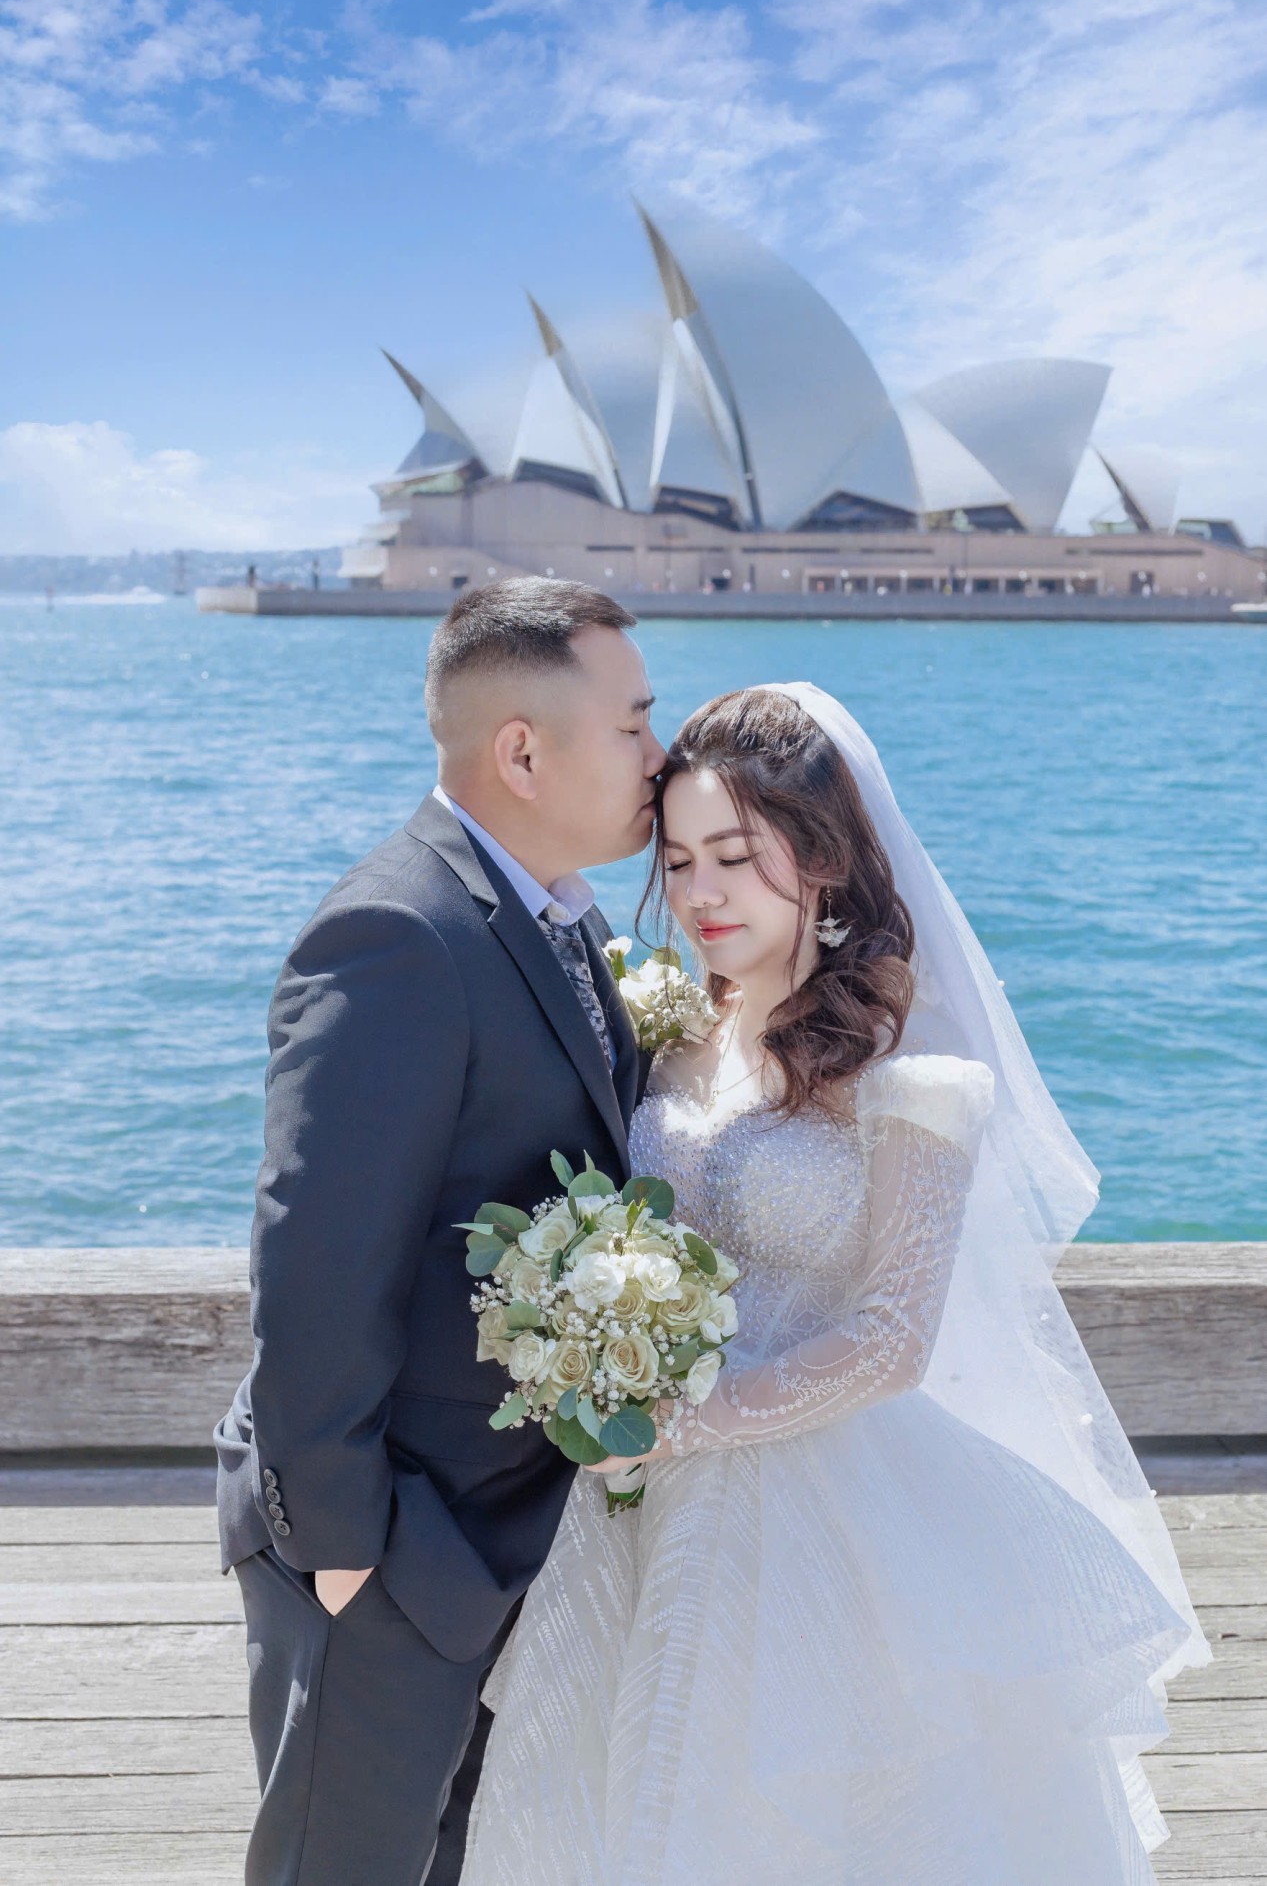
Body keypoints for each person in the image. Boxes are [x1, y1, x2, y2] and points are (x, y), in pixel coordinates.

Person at [461, 682, 1209, 1886]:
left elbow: (892, 1337)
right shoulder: (669, 1034)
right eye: (680, 861)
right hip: (645, 1507)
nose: (700, 893)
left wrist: (682, 1420)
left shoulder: (908, 1069)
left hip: (831, 1507)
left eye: (735, 857)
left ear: (817, 858)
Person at [212, 577, 665, 1885]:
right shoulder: (394, 932)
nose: (659, 751)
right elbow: (312, 1260)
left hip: (506, 1533)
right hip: (392, 1543)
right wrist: (338, 1549)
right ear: (521, 752)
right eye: (632, 722)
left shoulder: (560, 915)